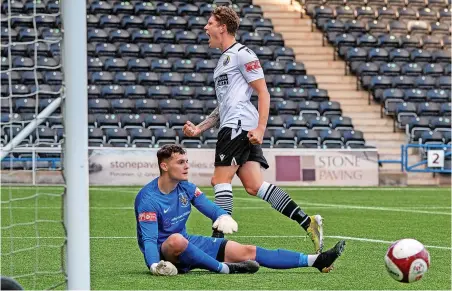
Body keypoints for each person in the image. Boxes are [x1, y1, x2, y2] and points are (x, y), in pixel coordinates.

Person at [182, 6, 325, 253]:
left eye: (209, 23)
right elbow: (222, 108)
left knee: (220, 180)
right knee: (254, 185)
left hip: (239, 126)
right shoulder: (222, 62)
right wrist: (199, 129)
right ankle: (307, 222)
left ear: (222, 27)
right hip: (234, 124)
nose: (205, 28)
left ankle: (218, 245)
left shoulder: (243, 54)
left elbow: (263, 92)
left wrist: (261, 128)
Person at [134, 145, 346, 276]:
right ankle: (223, 268)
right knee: (176, 240)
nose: (187, 166)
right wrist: (154, 265)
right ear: (164, 166)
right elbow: (150, 241)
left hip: (188, 244)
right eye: (181, 162)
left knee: (247, 251)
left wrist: (222, 215)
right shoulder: (148, 198)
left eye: (187, 161)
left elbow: (209, 208)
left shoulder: (186, 187)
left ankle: (315, 261)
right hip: (166, 253)